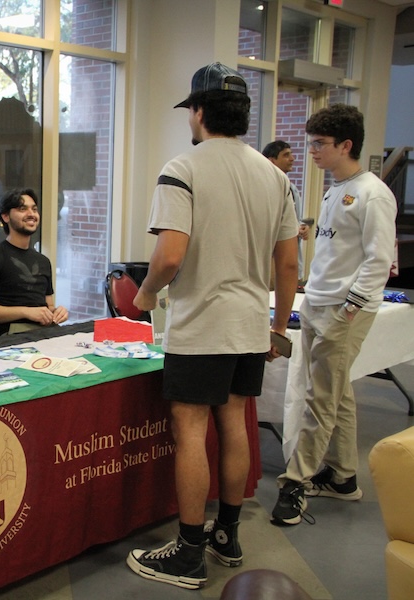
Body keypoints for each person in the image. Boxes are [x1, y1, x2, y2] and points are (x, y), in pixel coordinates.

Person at [125, 63, 299, 590]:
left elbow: (170, 256)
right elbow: (287, 265)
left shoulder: (184, 167)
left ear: (198, 112)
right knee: (234, 423)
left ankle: (188, 552)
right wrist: (277, 326)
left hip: (201, 326)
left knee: (192, 432)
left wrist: (147, 293)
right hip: (249, 324)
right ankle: (227, 534)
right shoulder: (276, 176)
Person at [271, 104, 397, 527]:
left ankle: (295, 481)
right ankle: (343, 477)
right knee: (336, 392)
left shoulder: (373, 193)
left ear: (346, 145)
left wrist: (350, 308)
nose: (312, 152)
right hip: (318, 304)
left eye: (320, 144)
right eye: (310, 143)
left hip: (343, 312)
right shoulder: (332, 190)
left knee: (318, 398)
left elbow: (380, 261)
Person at [0, 187, 68, 337]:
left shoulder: (43, 261)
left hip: (44, 332)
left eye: (34, 209)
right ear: (5, 216)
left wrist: (57, 313)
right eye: (23, 209)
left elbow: (48, 306)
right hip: (10, 337)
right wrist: (26, 312)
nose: (31, 214)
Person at [262, 140, 309, 280]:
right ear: (272, 161)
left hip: (291, 260)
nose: (292, 159)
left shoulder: (292, 189)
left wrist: (301, 227)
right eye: (286, 155)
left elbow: (292, 219)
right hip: (271, 261)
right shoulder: (263, 189)